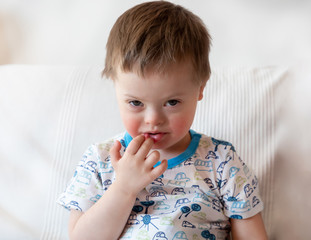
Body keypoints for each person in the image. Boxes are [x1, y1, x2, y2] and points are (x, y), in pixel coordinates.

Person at [57, 1, 267, 239]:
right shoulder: (101, 160)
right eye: (136, 103)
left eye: (172, 102)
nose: (153, 120)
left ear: (200, 87)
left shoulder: (221, 163)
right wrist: (124, 187)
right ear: (116, 88)